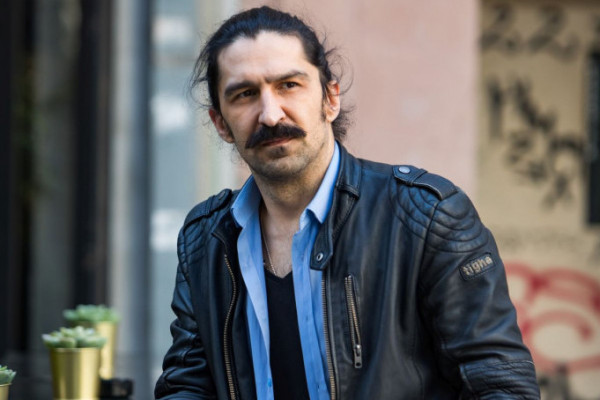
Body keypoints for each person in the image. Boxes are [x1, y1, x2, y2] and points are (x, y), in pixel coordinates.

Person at [155, 6, 539, 400]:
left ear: (330, 99)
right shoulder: (205, 240)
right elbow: (187, 386)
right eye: (245, 94)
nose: (270, 114)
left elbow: (502, 386)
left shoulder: (426, 217)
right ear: (220, 123)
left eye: (289, 85)